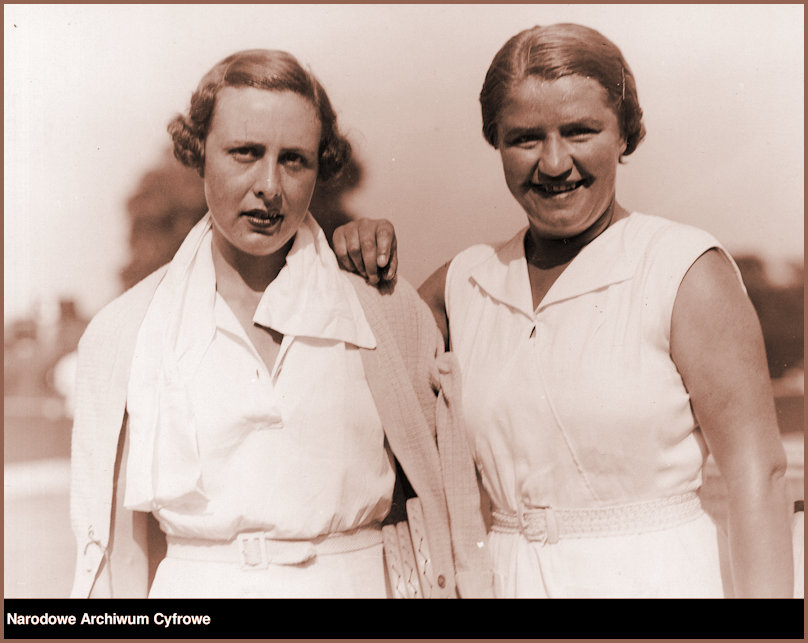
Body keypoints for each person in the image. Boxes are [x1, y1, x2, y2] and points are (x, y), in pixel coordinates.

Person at [332, 23, 794, 598]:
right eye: (526, 138)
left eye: (580, 131)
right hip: (504, 581)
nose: (554, 163)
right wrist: (351, 254)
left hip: (656, 580)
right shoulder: (465, 282)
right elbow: (366, 360)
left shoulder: (682, 269)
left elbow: (761, 478)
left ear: (624, 134)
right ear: (495, 141)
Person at [69, 49, 493, 599]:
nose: (270, 185)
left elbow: (447, 501)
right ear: (200, 154)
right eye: (245, 153)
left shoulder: (382, 308)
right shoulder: (127, 331)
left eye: (295, 160)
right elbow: (115, 554)